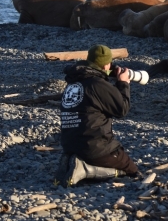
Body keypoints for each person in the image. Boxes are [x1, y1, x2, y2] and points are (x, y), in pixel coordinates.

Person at [55, 44, 142, 186]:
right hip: (94, 147)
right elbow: (122, 109)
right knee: (131, 170)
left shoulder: (73, 83)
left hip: (69, 144)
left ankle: (73, 160)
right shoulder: (97, 84)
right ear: (106, 65)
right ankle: (85, 170)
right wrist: (123, 83)